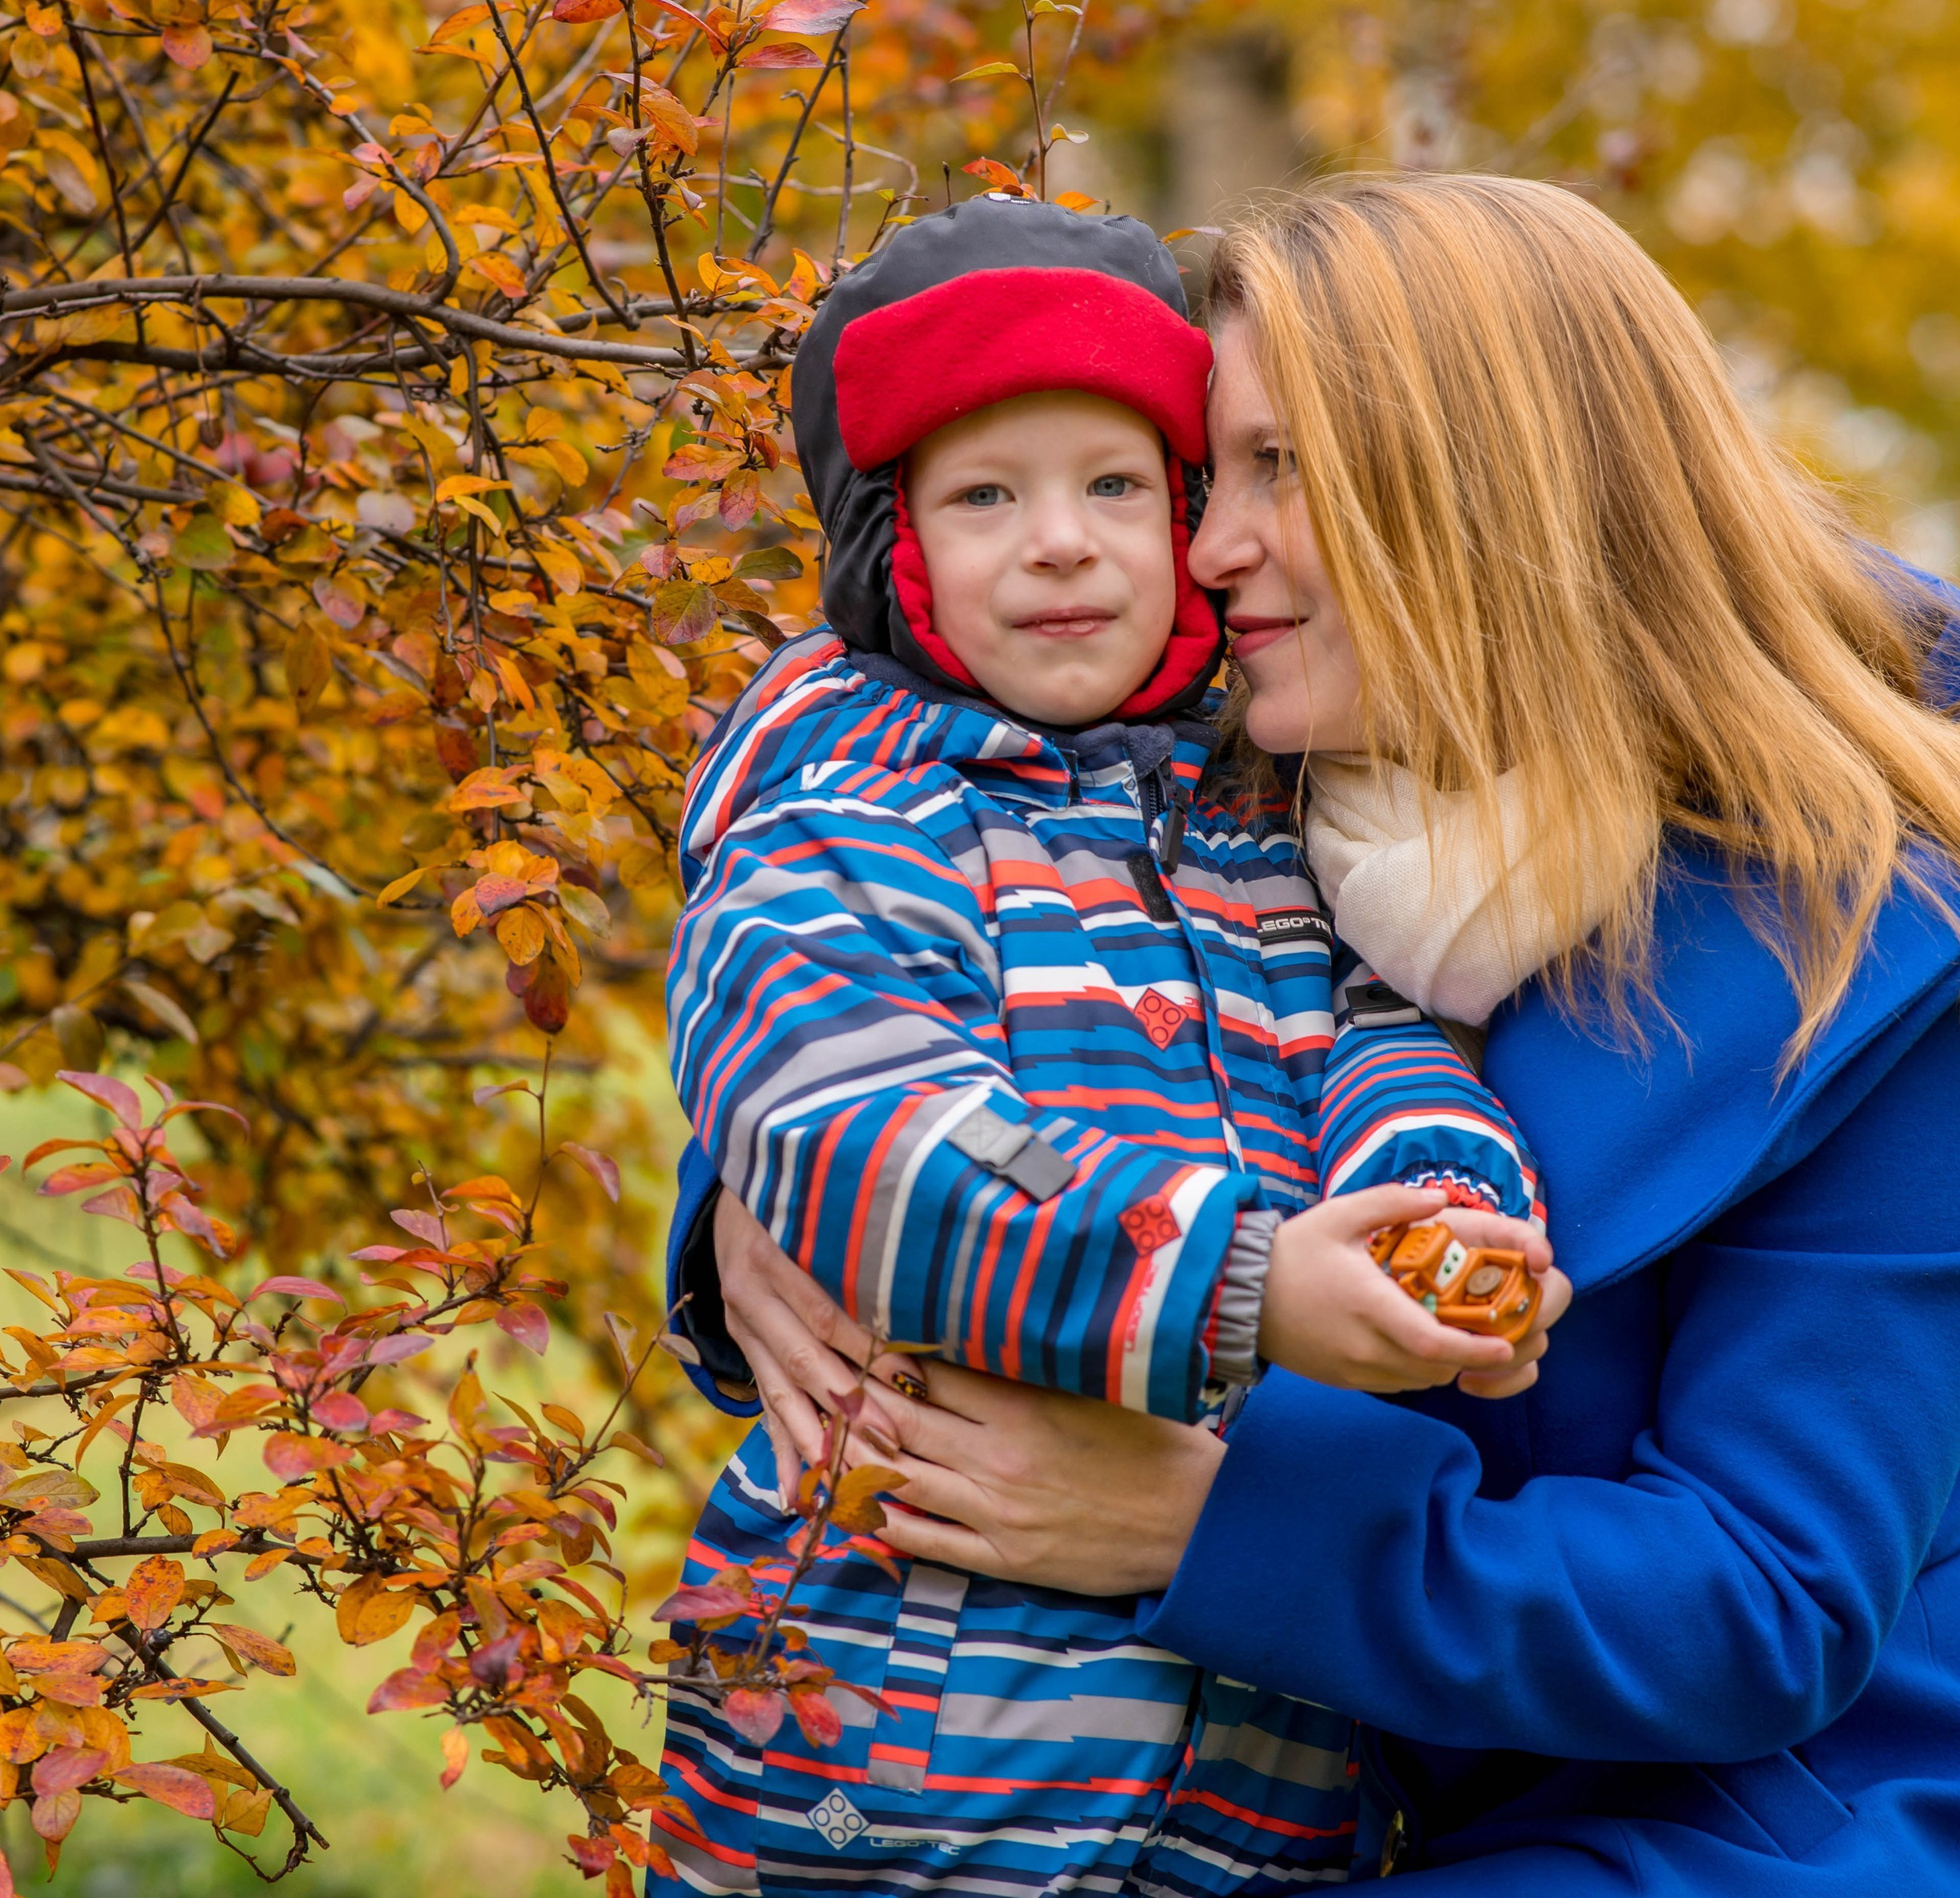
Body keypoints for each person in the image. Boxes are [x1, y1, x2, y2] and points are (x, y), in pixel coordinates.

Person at [689, 173, 1960, 1892]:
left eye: (1275, 471)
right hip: (1305, 1795)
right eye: (1208, 476)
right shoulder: (1254, 789)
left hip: (1738, 1827)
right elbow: (934, 994)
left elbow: (1761, 1599)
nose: (1201, 543)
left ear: (1482, 489)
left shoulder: (1869, 947)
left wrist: (1200, 1517)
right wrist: (747, 1206)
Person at [652, 194, 1566, 1897]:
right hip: (899, 1743)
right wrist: (1243, 1286)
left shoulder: (1259, 821)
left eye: (1114, 486)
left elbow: (1373, 1038)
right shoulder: (842, 819)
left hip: (1250, 1772)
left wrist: (1437, 1212)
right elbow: (862, 1128)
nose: (1058, 542)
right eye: (984, 496)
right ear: (893, 548)